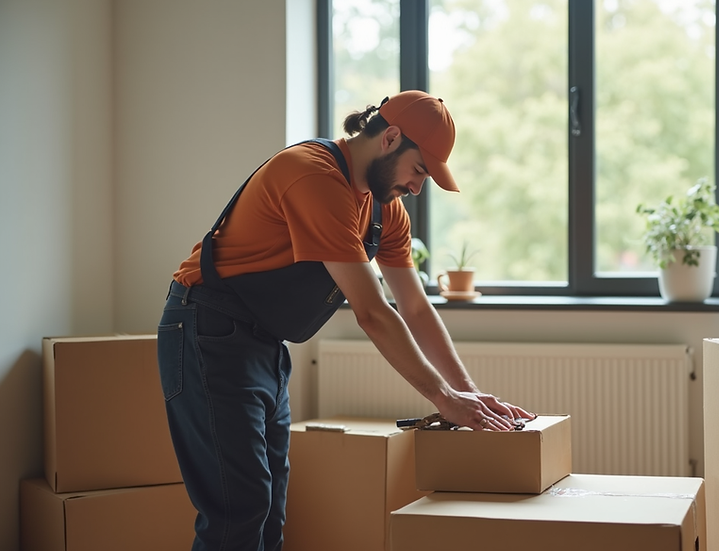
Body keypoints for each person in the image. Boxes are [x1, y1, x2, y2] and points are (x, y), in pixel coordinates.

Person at [156, 90, 536, 551]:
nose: (418, 188)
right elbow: (373, 313)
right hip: (206, 330)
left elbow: (415, 308)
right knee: (239, 511)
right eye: (419, 170)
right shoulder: (311, 175)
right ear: (390, 138)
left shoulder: (385, 212)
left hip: (264, 345)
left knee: (270, 509)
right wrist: (442, 397)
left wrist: (468, 395)